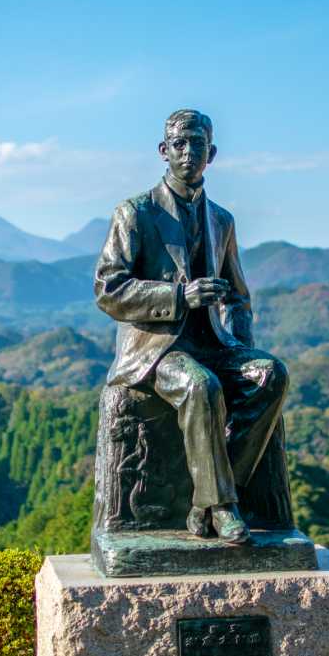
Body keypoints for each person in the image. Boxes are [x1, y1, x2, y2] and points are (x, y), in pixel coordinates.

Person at [94, 109, 289, 543]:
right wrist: (179, 297)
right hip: (157, 348)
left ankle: (210, 497)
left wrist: (239, 346)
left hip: (213, 342)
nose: (187, 152)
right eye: (178, 144)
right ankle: (221, 508)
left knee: (270, 373)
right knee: (201, 386)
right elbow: (109, 288)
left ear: (211, 153)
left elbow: (238, 296)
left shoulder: (222, 220)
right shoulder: (136, 213)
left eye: (196, 144)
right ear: (163, 152)